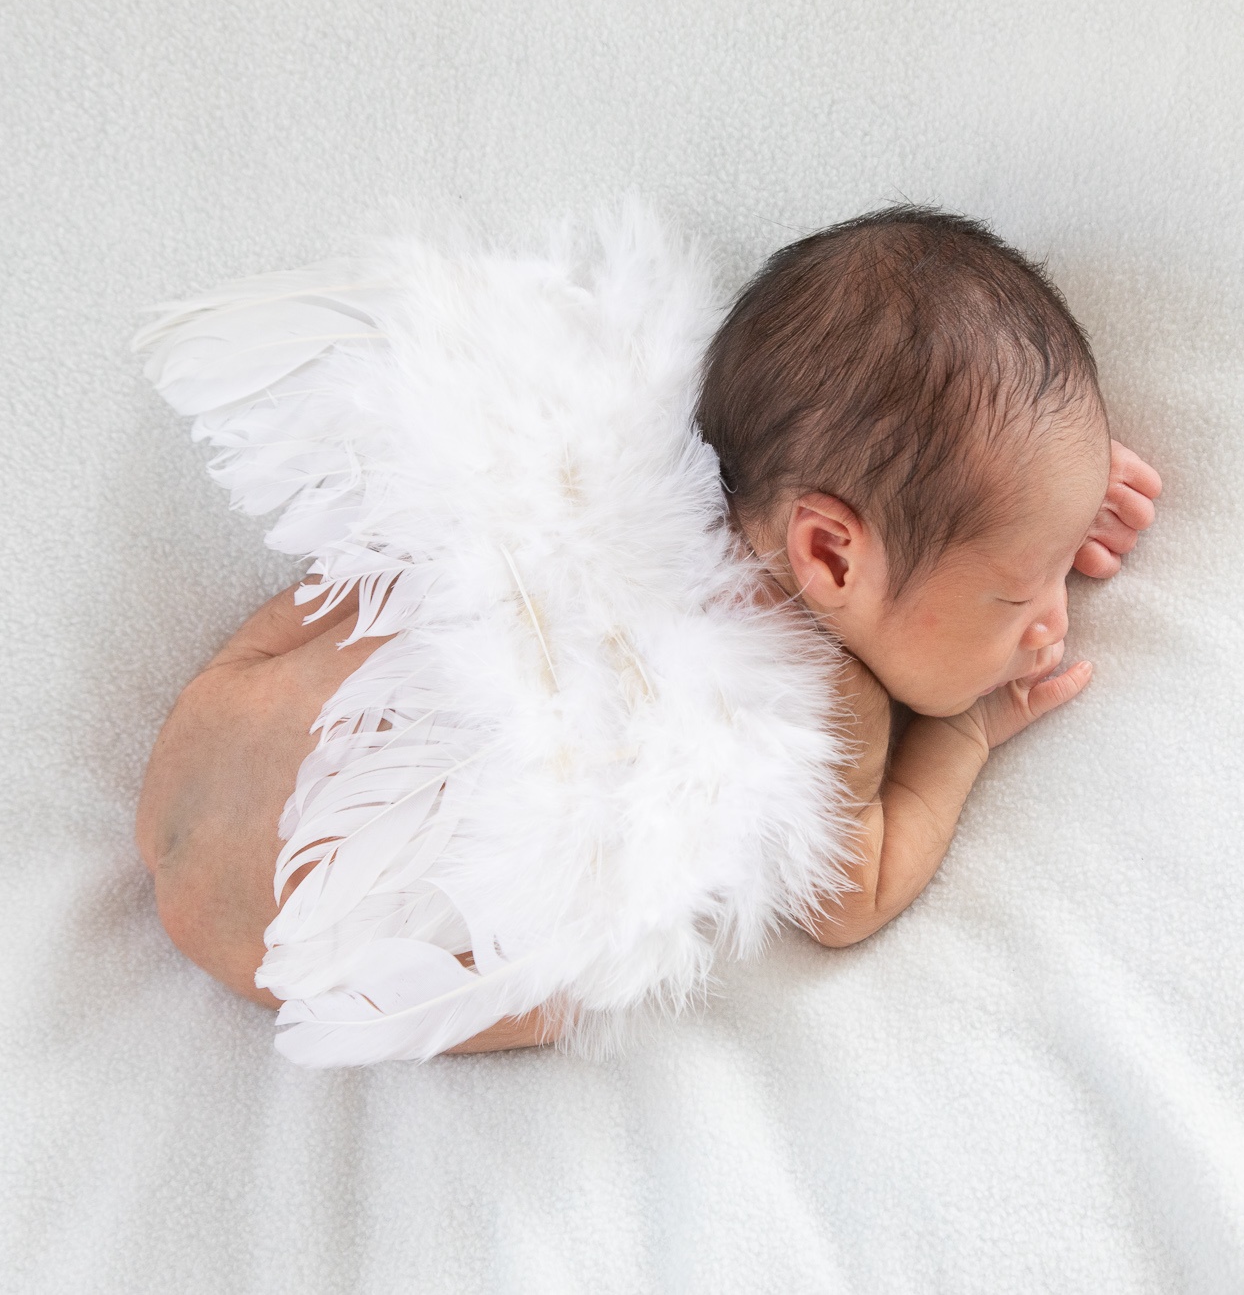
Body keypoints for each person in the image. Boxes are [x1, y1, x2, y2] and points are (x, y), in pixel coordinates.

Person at [134, 206, 1162, 1054]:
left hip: (221, 715)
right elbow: (852, 899)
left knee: (435, 582)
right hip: (268, 928)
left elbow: (920, 443)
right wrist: (964, 733)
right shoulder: (827, 706)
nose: (1052, 619)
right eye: (1017, 597)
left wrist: (1033, 501)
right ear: (831, 557)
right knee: (560, 983)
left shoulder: (675, 451)